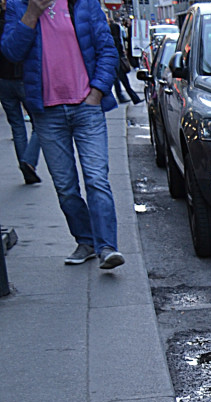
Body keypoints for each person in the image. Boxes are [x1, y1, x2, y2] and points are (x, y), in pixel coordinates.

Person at [2, 0, 125, 269]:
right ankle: (86, 240)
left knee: (96, 179)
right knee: (66, 188)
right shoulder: (18, 5)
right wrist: (32, 12)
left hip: (86, 107)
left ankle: (107, 247)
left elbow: (107, 50)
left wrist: (97, 92)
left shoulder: (84, 3)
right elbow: (11, 51)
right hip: (47, 112)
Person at [0, 0, 39, 183]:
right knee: (40, 121)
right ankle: (28, 161)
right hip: (21, 76)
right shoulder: (19, 18)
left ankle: (25, 163)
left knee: (17, 125)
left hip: (2, 79)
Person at [109, 19, 140, 105]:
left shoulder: (111, 39)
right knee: (124, 82)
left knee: (117, 81)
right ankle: (133, 98)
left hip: (114, 62)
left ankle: (129, 97)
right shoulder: (116, 40)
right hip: (117, 62)